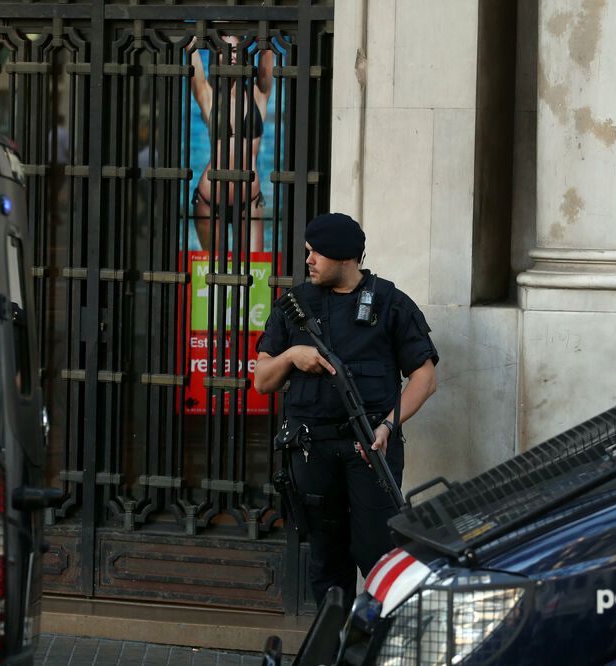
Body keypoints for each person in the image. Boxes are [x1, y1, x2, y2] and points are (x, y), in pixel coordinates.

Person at [253, 212, 439, 604]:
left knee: (380, 560)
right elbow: (262, 380)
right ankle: (332, 648)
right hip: (311, 452)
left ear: (344, 258)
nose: (309, 261)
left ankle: (376, 647)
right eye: (308, 252)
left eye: (316, 253)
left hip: (370, 450)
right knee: (325, 561)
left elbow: (424, 378)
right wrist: (291, 356)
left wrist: (388, 425)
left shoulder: (390, 303)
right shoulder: (294, 306)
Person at [188, 35, 273, 253]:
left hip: (250, 200)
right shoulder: (208, 95)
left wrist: (262, 31)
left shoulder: (258, 94)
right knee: (212, 275)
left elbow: (267, 51)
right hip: (209, 197)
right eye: (223, 49)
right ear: (215, 55)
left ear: (245, 54)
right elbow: (190, 48)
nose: (231, 55)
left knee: (254, 275)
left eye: (236, 50)